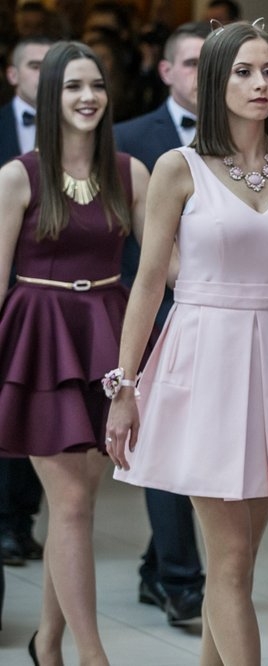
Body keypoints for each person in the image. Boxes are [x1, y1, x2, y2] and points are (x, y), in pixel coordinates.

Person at [106, 21, 268, 666]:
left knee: (239, 563)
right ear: (213, 83)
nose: (260, 84)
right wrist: (125, 386)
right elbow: (148, 284)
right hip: (203, 360)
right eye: (243, 72)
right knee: (227, 562)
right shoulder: (178, 168)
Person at [0, 40, 149, 666]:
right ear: (48, 95)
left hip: (107, 335)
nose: (88, 97)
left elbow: (166, 266)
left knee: (77, 506)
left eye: (97, 85)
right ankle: (93, 657)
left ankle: (49, 642)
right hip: (40, 339)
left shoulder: (130, 172)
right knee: (71, 505)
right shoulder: (19, 175)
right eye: (72, 86)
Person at [113, 20, 210, 627]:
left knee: (198, 449)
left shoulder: (248, 143)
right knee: (165, 442)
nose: (204, 73)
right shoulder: (128, 137)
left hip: (219, 315)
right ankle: (181, 579)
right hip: (152, 311)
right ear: (167, 70)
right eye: (192, 62)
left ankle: (157, 568)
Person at [0, 36, 50, 570]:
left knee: (46, 418)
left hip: (56, 299)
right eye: (34, 65)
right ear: (14, 75)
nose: (44, 74)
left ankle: (22, 521)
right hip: (13, 291)